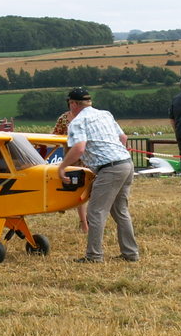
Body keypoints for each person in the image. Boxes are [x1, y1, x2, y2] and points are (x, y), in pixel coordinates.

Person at [57, 87, 139, 263]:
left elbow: (79, 148)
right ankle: (130, 253)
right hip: (126, 163)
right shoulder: (105, 114)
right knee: (121, 211)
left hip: (109, 169)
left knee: (95, 212)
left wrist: (62, 167)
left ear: (73, 104)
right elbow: (123, 138)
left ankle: (94, 255)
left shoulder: (77, 122)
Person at [53, 110, 88, 232]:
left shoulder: (90, 117)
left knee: (92, 190)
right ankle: (84, 223)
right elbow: (54, 136)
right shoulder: (63, 118)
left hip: (89, 158)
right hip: (72, 160)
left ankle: (90, 220)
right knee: (79, 190)